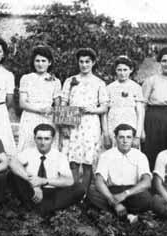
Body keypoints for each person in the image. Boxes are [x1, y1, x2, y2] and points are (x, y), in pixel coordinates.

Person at [61, 48, 109, 191]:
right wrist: (64, 124)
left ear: (93, 62)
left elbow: (104, 107)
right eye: (81, 61)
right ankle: (73, 191)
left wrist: (90, 109)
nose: (84, 65)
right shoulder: (70, 80)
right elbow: (64, 102)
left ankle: (84, 192)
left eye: (87, 62)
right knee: (72, 159)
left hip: (90, 123)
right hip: (72, 121)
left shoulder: (99, 82)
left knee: (88, 160)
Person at [11, 124, 85, 215]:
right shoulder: (28, 152)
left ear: (52, 140)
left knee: (79, 188)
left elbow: (69, 181)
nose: (43, 142)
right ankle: (45, 211)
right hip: (31, 191)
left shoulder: (60, 156)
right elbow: (12, 163)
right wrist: (32, 182)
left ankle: (37, 210)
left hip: (51, 192)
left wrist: (43, 181)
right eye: (39, 138)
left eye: (47, 139)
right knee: (12, 176)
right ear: (34, 138)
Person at [87, 124, 153, 220]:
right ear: (115, 138)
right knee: (92, 191)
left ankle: (110, 214)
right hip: (112, 191)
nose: (125, 141)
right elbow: (99, 181)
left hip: (131, 192)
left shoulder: (140, 156)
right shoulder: (106, 155)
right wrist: (114, 201)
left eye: (128, 137)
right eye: (121, 137)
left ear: (133, 139)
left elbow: (147, 182)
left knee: (146, 197)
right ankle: (128, 215)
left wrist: (125, 194)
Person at [18, 46, 61, 152]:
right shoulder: (26, 78)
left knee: (47, 149)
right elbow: (22, 103)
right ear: (33, 62)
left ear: (49, 62)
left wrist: (53, 113)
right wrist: (40, 110)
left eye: (43, 61)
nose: (40, 64)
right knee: (28, 146)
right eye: (37, 61)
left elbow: (58, 106)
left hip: (48, 118)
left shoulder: (55, 81)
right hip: (30, 116)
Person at [102, 56, 145, 150]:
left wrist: (137, 135)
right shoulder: (109, 88)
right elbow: (104, 112)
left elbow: (140, 113)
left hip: (130, 124)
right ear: (115, 71)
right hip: (113, 124)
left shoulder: (136, 87)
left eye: (125, 70)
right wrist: (106, 134)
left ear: (131, 70)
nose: (122, 73)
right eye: (119, 70)